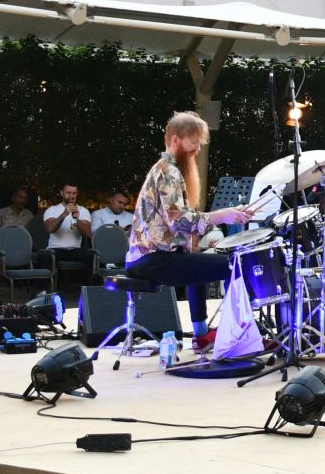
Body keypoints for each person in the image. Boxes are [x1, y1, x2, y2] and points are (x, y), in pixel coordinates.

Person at [126, 111, 256, 352]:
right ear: (175, 140)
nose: (197, 150)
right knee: (234, 265)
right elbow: (178, 220)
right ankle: (238, 334)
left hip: (148, 257)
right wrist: (222, 215)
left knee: (199, 262)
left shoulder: (166, 169)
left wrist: (225, 215)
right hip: (152, 259)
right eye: (193, 143)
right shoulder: (168, 172)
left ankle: (201, 335)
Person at [42, 184, 95, 282]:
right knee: (44, 256)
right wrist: (64, 214)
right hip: (55, 249)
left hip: (75, 250)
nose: (71, 195)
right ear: (62, 193)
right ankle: (43, 292)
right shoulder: (52, 210)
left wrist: (77, 219)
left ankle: (90, 291)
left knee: (93, 255)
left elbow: (87, 233)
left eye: (74, 193)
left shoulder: (83, 211)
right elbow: (50, 229)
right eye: (68, 193)